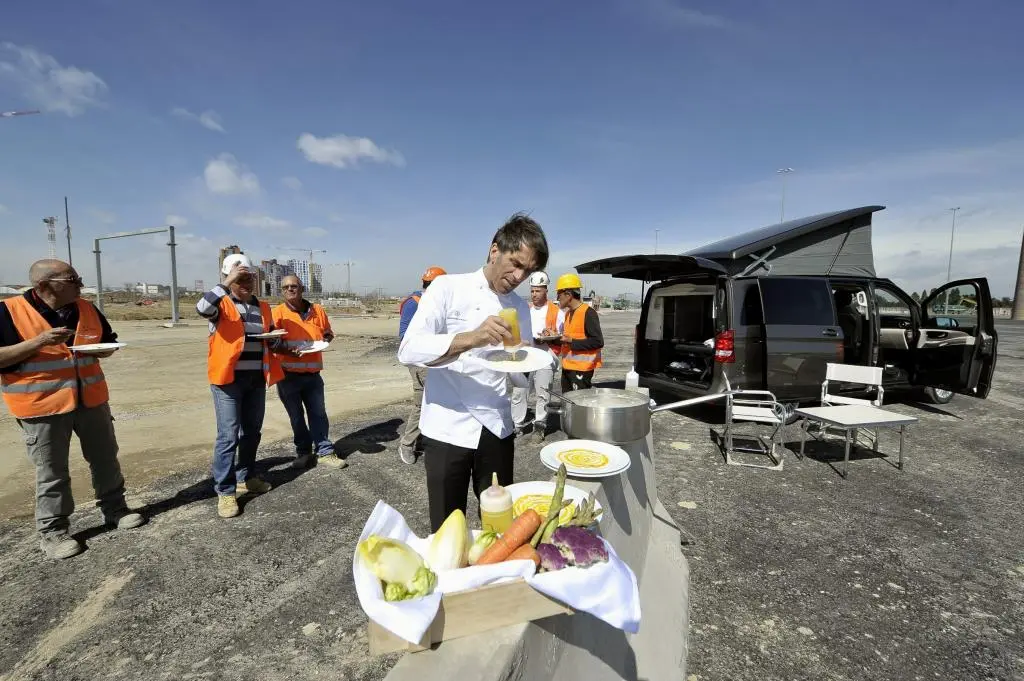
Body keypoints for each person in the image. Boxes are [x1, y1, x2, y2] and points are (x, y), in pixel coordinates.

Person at [397, 214, 548, 532]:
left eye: (527, 271)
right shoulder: (447, 287)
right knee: (447, 528)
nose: (519, 276)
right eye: (516, 264)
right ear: (495, 250)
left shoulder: (519, 307)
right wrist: (474, 337)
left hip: (496, 426)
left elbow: (518, 377)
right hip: (447, 426)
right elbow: (409, 349)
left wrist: (522, 358)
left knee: (499, 525)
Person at [0, 259, 145, 559]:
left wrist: (105, 349)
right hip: (42, 406)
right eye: (72, 279)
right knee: (52, 470)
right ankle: (53, 531)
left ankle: (115, 509)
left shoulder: (87, 308)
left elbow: (106, 342)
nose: (80, 284)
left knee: (105, 459)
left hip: (91, 401)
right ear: (44, 285)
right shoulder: (9, 311)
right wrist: (38, 342)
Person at [196, 254, 285, 519]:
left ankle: (246, 477)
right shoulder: (221, 304)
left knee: (252, 433)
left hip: (255, 379)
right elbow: (202, 308)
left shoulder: (263, 307)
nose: (246, 283)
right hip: (228, 381)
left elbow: (270, 338)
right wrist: (228, 281)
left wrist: (277, 341)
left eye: (249, 279)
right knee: (228, 436)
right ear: (228, 278)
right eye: (240, 279)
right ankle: (225, 491)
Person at [272, 274, 346, 470]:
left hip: (313, 375)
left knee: (318, 414)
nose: (290, 289)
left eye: (294, 286)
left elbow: (327, 332)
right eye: (286, 287)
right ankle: (304, 453)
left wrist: (326, 340)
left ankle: (325, 452)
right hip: (288, 375)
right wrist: (288, 350)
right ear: (282, 291)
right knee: (296, 417)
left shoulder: (317, 310)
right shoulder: (277, 313)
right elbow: (272, 342)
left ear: (302, 288)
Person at [397, 265, 446, 464]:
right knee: (422, 403)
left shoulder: (435, 302)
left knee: (437, 401)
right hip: (420, 362)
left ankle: (426, 440)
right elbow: (404, 336)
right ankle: (407, 444)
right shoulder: (414, 303)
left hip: (436, 359)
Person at [511, 271, 564, 439]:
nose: (534, 294)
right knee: (519, 391)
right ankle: (517, 424)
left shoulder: (557, 312)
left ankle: (540, 425)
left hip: (546, 356)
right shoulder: (525, 310)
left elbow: (561, 337)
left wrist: (548, 338)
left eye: (538, 291)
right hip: (526, 356)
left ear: (545, 290)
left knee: (543, 393)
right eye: (532, 290)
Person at [555, 273, 604, 392]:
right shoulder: (568, 314)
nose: (557, 298)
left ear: (568, 295)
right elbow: (569, 338)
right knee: (566, 400)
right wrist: (554, 336)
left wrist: (571, 341)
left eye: (559, 294)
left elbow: (598, 341)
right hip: (567, 368)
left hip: (581, 370)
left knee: (578, 402)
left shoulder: (588, 313)